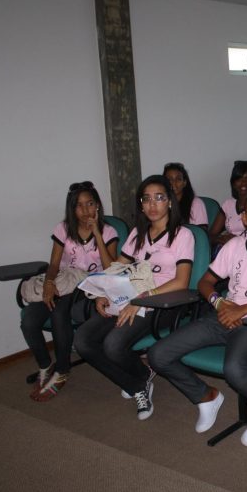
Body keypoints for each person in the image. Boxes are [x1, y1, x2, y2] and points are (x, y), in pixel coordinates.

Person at [148, 191, 247, 447]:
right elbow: (205, 282)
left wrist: (241, 310)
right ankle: (205, 396)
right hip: (222, 314)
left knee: (234, 369)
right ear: (243, 218)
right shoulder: (233, 246)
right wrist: (220, 302)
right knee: (158, 354)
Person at [74, 175, 194, 420]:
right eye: (146, 199)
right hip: (128, 299)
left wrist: (142, 298)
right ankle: (139, 381)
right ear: (141, 204)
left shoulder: (182, 235)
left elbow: (182, 281)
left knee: (113, 344)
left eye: (159, 198)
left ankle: (137, 379)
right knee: (83, 340)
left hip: (161, 304)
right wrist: (103, 293)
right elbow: (115, 268)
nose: (153, 205)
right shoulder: (138, 234)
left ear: (170, 202)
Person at [21, 181, 118, 401]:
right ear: (72, 208)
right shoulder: (63, 228)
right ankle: (46, 365)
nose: (85, 210)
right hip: (62, 282)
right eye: (79, 205)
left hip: (91, 287)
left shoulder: (108, 231)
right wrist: (48, 283)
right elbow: (54, 263)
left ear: (98, 206)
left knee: (58, 311)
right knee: (29, 320)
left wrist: (97, 235)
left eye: (90, 203)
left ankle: (62, 370)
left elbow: (112, 269)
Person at [208, 160, 247, 247]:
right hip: (229, 249)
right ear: (233, 183)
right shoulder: (228, 204)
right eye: (239, 179)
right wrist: (221, 239)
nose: (244, 183)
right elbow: (211, 235)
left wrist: (236, 240)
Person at [163, 162, 208, 227]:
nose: (173, 183)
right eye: (169, 179)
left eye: (178, 179)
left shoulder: (196, 203)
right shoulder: (160, 203)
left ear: (184, 183)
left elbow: (202, 233)